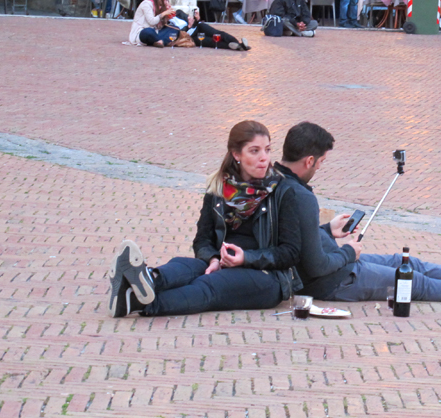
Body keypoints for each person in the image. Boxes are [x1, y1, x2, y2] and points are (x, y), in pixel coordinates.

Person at [275, 122, 441, 304]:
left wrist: (327, 230)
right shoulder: (300, 196)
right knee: (413, 282)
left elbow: (296, 239)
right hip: (335, 280)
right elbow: (316, 266)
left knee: (408, 263)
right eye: (320, 163)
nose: (319, 168)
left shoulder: (277, 182)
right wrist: (349, 252)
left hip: (337, 264)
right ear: (309, 161)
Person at [108, 121, 302, 317]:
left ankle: (136, 301)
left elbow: (291, 252)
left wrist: (246, 257)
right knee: (183, 266)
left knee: (208, 284)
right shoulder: (219, 188)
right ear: (236, 154)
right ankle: (149, 278)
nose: (264, 158)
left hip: (267, 276)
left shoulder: (282, 191)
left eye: (267, 150)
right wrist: (213, 258)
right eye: (255, 151)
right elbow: (202, 240)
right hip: (221, 262)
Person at [172, 7, 250, 50]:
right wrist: (187, 27)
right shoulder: (168, 23)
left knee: (216, 33)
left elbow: (190, 19)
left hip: (197, 27)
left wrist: (196, 19)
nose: (168, 5)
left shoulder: (178, 13)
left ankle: (237, 42)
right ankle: (238, 46)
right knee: (212, 42)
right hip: (190, 36)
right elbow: (176, 33)